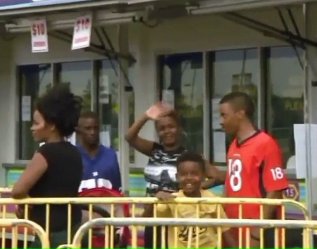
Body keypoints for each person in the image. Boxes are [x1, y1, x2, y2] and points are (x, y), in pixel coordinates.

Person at [125, 102, 222, 249]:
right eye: (162, 128)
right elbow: (129, 137)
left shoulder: (189, 156)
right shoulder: (154, 150)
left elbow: (218, 177)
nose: (167, 131)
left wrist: (192, 187)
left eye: (171, 126)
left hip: (175, 218)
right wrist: (146, 116)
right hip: (152, 215)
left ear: (179, 129)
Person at [11, 83, 83, 248]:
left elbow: (18, 190)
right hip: (73, 226)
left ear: (51, 125)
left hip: (48, 233)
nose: (32, 128)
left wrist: (27, 202)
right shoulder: (74, 152)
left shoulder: (45, 153)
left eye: (36, 123)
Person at [218, 92, 289, 248]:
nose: (220, 121)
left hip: (256, 232)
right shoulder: (233, 145)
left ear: (240, 114)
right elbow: (231, 185)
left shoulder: (266, 144)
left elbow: (275, 191)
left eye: (224, 115)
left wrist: (257, 231)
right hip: (233, 229)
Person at [155, 151, 237, 249]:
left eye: (194, 174)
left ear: (203, 177)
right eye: (184, 174)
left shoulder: (212, 199)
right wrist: (157, 196)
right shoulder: (172, 200)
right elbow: (149, 218)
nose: (189, 178)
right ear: (177, 177)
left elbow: (225, 229)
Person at [75, 111, 122, 192]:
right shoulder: (72, 156)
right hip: (81, 204)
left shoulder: (110, 155)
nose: (92, 132)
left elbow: (116, 188)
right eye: (88, 128)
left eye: (95, 128)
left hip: (106, 204)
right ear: (79, 131)